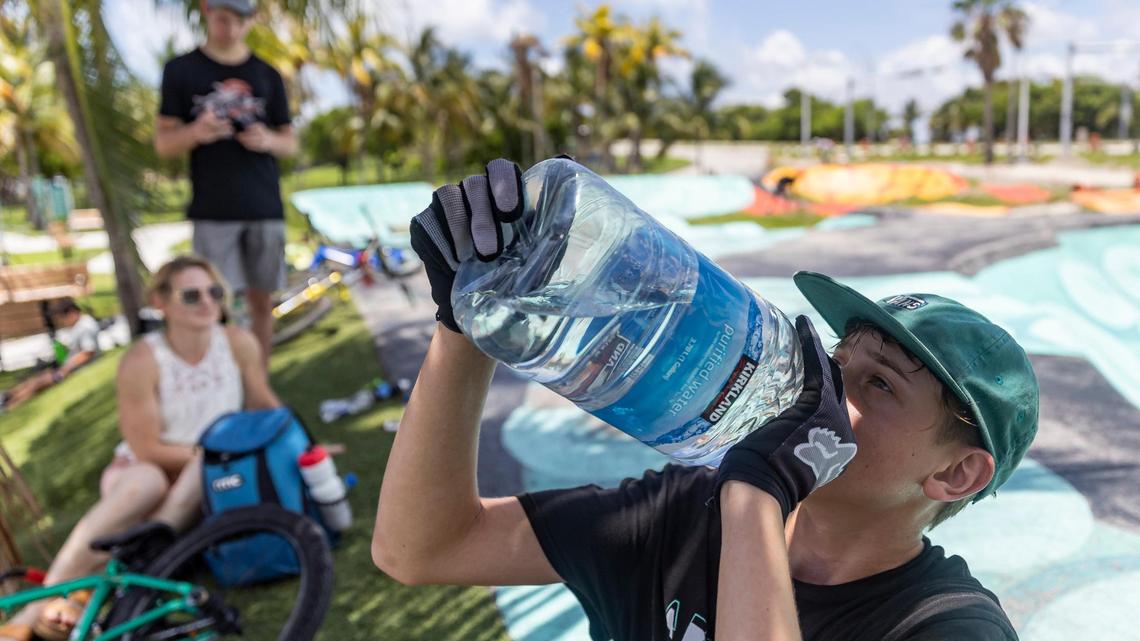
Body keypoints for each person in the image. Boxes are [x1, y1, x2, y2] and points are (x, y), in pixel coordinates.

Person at [371, 159, 1038, 640]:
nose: (827, 386)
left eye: (879, 384)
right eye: (838, 361)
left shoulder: (949, 625)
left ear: (955, 472)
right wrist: (462, 328)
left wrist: (755, 494)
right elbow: (422, 547)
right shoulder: (682, 517)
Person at [0, 256, 281, 641]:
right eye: (191, 294)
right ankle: (35, 610)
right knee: (148, 482)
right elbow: (145, 447)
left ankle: (113, 588)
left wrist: (301, 443)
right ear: (161, 302)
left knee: (202, 469)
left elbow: (266, 405)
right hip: (144, 470)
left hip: (205, 478)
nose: (207, 302)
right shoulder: (143, 358)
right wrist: (210, 455)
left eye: (214, 292)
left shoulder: (237, 343)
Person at [154, 0, 297, 365]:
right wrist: (197, 132)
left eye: (238, 19)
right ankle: (224, 375)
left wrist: (267, 140)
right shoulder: (181, 69)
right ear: (206, 11)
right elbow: (164, 143)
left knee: (262, 299)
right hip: (213, 210)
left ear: (251, 19)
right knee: (213, 303)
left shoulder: (267, 74)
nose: (229, 28)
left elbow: (290, 141)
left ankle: (258, 378)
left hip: (264, 206)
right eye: (222, 18)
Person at [0, 299, 101, 410]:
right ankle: (7, 396)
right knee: (35, 379)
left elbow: (87, 352)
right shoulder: (79, 325)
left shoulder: (85, 327)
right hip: (69, 367)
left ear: (72, 312)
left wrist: (65, 370)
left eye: (63, 317)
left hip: (75, 369)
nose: (63, 321)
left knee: (38, 384)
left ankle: (8, 406)